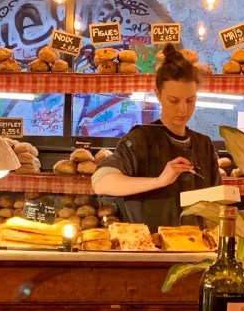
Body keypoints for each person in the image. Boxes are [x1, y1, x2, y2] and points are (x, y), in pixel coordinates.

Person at [91, 44, 220, 228]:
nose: (183, 109)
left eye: (190, 100)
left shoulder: (204, 145)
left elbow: (216, 206)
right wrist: (159, 181)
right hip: (148, 244)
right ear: (158, 94)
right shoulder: (139, 140)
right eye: (174, 100)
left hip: (195, 243)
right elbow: (101, 182)